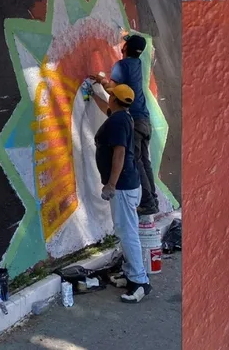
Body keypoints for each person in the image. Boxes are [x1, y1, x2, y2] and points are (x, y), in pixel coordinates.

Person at [94, 83, 152, 303]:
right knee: (126, 230)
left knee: (127, 233)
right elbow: (107, 110)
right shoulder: (123, 116)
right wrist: (93, 94)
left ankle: (140, 282)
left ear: (114, 99)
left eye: (110, 96)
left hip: (123, 187)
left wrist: (111, 184)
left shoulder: (118, 121)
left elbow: (119, 153)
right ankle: (130, 273)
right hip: (128, 184)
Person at [89, 33, 158, 215]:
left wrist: (101, 80)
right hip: (144, 120)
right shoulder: (137, 64)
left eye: (125, 43)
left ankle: (148, 203)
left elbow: (113, 91)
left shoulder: (122, 65)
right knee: (144, 161)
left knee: (135, 161)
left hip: (134, 120)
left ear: (125, 48)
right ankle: (152, 200)